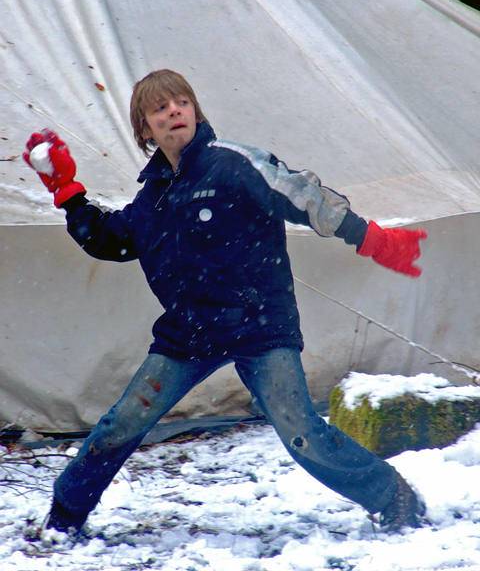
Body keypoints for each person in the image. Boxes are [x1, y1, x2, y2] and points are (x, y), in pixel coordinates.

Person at [23, 69, 428, 536]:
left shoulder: (233, 163)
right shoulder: (153, 196)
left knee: (304, 436)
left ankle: (394, 498)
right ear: (145, 129)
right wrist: (68, 194)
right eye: (160, 108)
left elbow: (300, 194)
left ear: (195, 111)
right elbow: (112, 241)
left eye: (181, 102)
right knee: (121, 423)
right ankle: (64, 517)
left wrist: (369, 238)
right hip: (188, 333)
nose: (173, 111)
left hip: (260, 327)